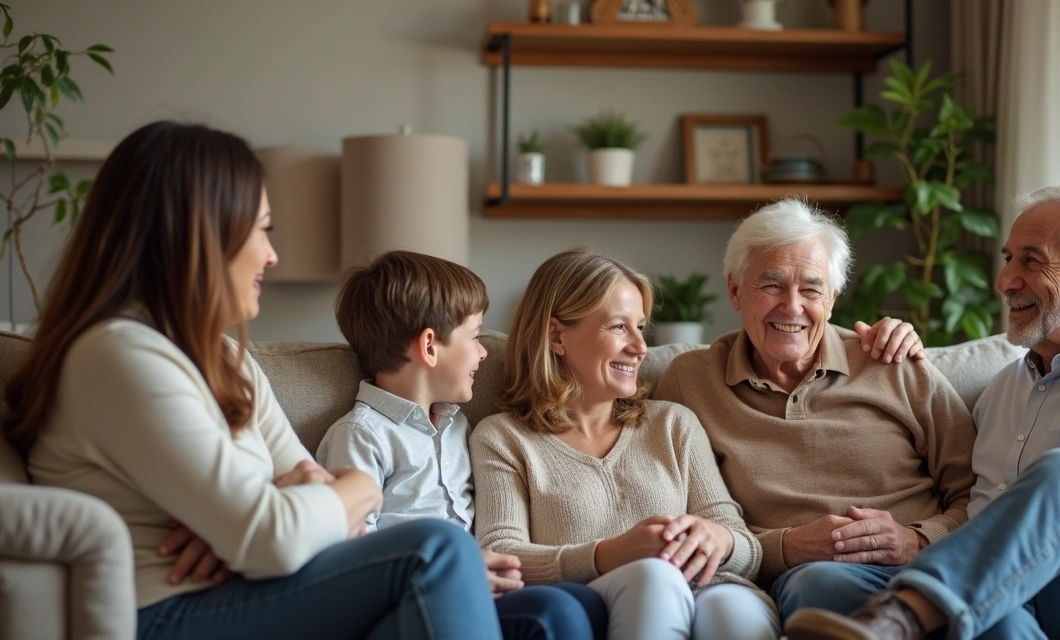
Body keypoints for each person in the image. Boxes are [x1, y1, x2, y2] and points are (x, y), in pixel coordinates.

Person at [1, 121, 503, 640]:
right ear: (199, 235)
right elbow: (276, 536)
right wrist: (358, 489)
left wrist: (248, 529)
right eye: (261, 229)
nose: (271, 254)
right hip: (166, 612)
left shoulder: (226, 359)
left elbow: (304, 514)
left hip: (246, 591)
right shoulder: (119, 357)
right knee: (438, 550)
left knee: (516, 608)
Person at [786, 186, 1060, 640]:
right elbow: (966, 505)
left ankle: (903, 617)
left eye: (1031, 261)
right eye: (1009, 259)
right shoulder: (1004, 387)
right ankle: (952, 612)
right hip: (997, 590)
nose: (1005, 280)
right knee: (820, 584)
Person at [651, 197, 978, 627]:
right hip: (811, 581)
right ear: (735, 290)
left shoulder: (893, 363)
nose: (792, 306)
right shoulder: (691, 380)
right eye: (771, 285)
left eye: (811, 289)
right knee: (817, 586)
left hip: (928, 569)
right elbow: (683, 519)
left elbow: (981, 493)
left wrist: (918, 540)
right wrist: (786, 547)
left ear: (832, 298)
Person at [471, 249, 778, 640]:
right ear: (556, 336)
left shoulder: (673, 424)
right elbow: (501, 553)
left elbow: (748, 551)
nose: (640, 347)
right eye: (619, 327)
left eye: (641, 328)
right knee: (653, 578)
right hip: (598, 602)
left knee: (732, 610)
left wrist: (722, 540)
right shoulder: (503, 438)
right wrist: (607, 554)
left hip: (711, 590)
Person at [315, 249, 606, 640]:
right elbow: (351, 559)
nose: (484, 352)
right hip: (408, 602)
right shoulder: (362, 435)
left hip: (472, 593)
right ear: (429, 346)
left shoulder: (458, 427)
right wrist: (454, 575)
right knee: (555, 612)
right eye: (475, 336)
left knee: (582, 600)